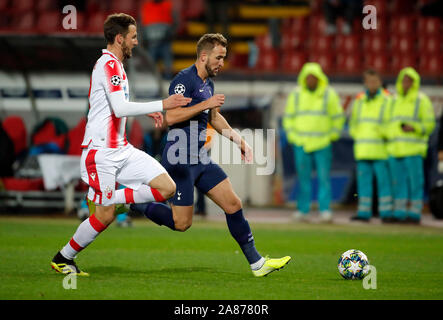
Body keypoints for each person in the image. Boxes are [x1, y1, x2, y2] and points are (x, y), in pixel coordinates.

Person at [131, 33, 291, 277]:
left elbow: (214, 118)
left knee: (233, 204)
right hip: (179, 159)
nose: (221, 63)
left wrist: (239, 141)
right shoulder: (184, 80)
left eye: (224, 58)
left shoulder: (209, 84)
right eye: (218, 57)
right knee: (182, 223)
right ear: (204, 56)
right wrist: (204, 105)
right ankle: (135, 203)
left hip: (200, 157)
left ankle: (257, 263)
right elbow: (170, 117)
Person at [50, 13, 191, 276]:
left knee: (166, 188)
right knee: (104, 216)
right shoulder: (108, 65)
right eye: (133, 37)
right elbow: (118, 106)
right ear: (119, 38)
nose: (136, 42)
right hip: (101, 152)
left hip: (121, 150)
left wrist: (145, 110)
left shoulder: (117, 66)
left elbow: (118, 106)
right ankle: (63, 258)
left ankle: (117, 200)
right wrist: (162, 104)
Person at [283, 62, 344, 222]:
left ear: (319, 78)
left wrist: (333, 136)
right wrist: (292, 136)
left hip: (322, 143)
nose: (310, 80)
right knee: (303, 179)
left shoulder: (329, 94)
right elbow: (288, 117)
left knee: (324, 178)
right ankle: (303, 210)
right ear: (304, 78)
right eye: (308, 77)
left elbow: (338, 117)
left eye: (313, 77)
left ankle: (325, 210)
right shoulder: (296, 94)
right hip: (301, 143)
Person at [387, 67, 436, 224]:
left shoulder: (422, 100)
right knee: (397, 182)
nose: (406, 83)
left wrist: (414, 128)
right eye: (404, 80)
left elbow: (429, 125)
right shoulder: (393, 100)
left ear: (415, 83)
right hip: (395, 149)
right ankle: (399, 212)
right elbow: (388, 123)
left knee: (415, 182)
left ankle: (415, 213)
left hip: (413, 148)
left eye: (409, 80)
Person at [348, 69, 393, 222]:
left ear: (380, 82)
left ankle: (386, 213)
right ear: (365, 83)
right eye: (369, 81)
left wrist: (383, 134)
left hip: (381, 149)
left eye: (375, 81)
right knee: (363, 184)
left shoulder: (388, 100)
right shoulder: (359, 101)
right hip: (363, 149)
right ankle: (364, 212)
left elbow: (392, 123)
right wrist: (357, 134)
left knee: (384, 183)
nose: (372, 84)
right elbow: (353, 122)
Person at [140, 0, 176, 78]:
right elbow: (142, 24)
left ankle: (168, 80)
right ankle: (151, 79)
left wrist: (171, 32)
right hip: (151, 42)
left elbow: (175, 21)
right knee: (151, 62)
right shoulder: (146, 6)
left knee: (168, 62)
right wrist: (143, 39)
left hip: (165, 41)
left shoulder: (167, 5)